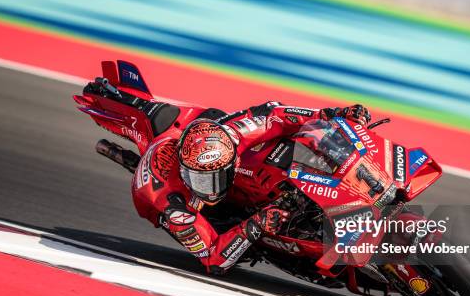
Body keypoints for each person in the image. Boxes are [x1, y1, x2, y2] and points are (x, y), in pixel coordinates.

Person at [132, 101, 370, 274]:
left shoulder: (233, 135)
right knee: (226, 234)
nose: (212, 189)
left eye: (217, 176)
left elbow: (277, 115)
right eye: (204, 180)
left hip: (197, 129)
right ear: (185, 172)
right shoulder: (170, 202)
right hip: (161, 194)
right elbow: (214, 261)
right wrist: (255, 225)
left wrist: (331, 114)